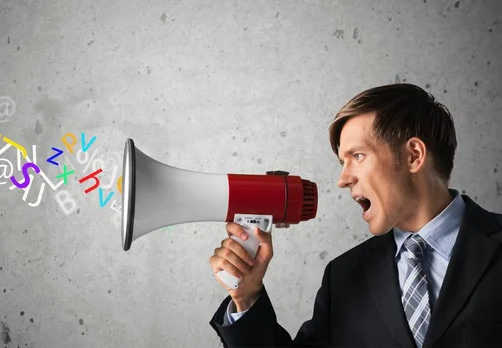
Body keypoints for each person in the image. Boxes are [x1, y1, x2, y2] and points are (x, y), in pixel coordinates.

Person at [208, 83, 502, 348]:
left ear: (414, 155)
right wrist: (246, 296)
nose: (343, 179)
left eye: (357, 156)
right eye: (341, 162)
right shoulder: (344, 278)